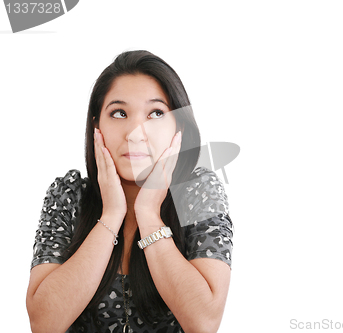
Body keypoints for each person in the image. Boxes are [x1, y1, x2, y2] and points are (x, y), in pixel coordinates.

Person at [26, 50, 234, 333]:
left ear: (179, 129)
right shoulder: (69, 194)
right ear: (96, 125)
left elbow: (204, 322)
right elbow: (44, 323)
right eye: (119, 113)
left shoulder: (198, 193)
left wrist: (149, 215)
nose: (135, 133)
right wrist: (111, 216)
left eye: (156, 113)